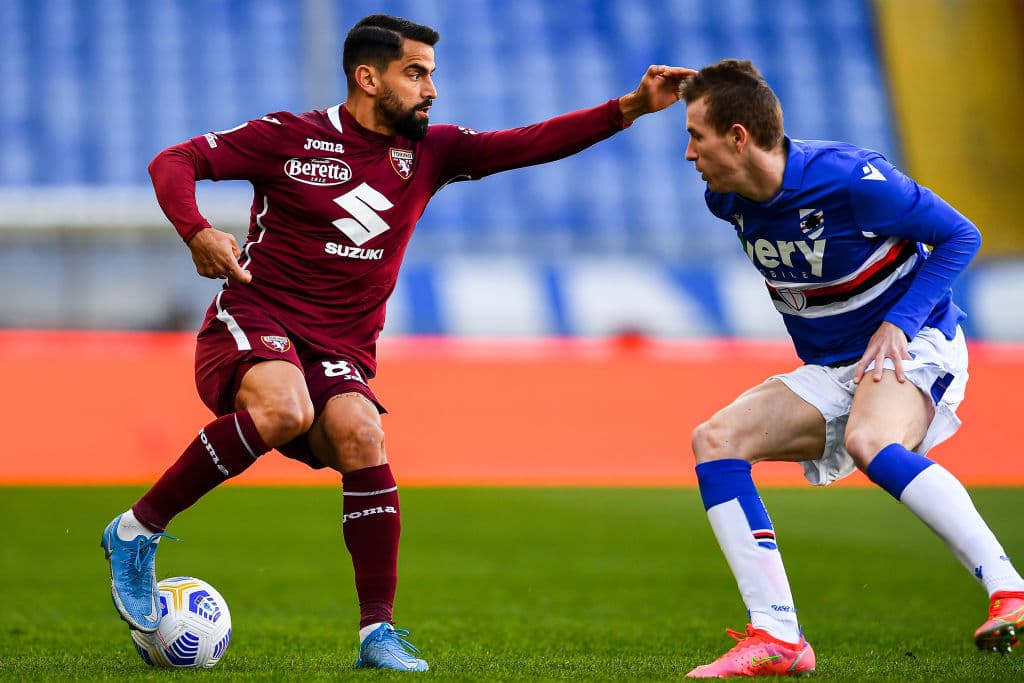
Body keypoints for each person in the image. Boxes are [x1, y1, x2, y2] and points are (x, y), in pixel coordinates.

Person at [99, 13, 693, 672]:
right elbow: (174, 160)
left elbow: (528, 143)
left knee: (362, 434)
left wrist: (631, 107)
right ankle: (136, 531)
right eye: (415, 74)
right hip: (254, 318)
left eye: (431, 74)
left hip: (337, 351)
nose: (431, 89)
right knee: (285, 408)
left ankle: (376, 633)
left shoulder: (432, 152)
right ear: (368, 77)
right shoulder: (289, 137)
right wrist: (197, 231)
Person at [678, 59, 1024, 678]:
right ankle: (778, 636)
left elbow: (960, 236)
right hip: (836, 365)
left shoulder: (852, 180)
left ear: (738, 136)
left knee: (871, 441)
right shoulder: (724, 201)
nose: (688, 153)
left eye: (695, 135)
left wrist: (901, 322)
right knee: (715, 439)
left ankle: (1009, 588)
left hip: (913, 343)